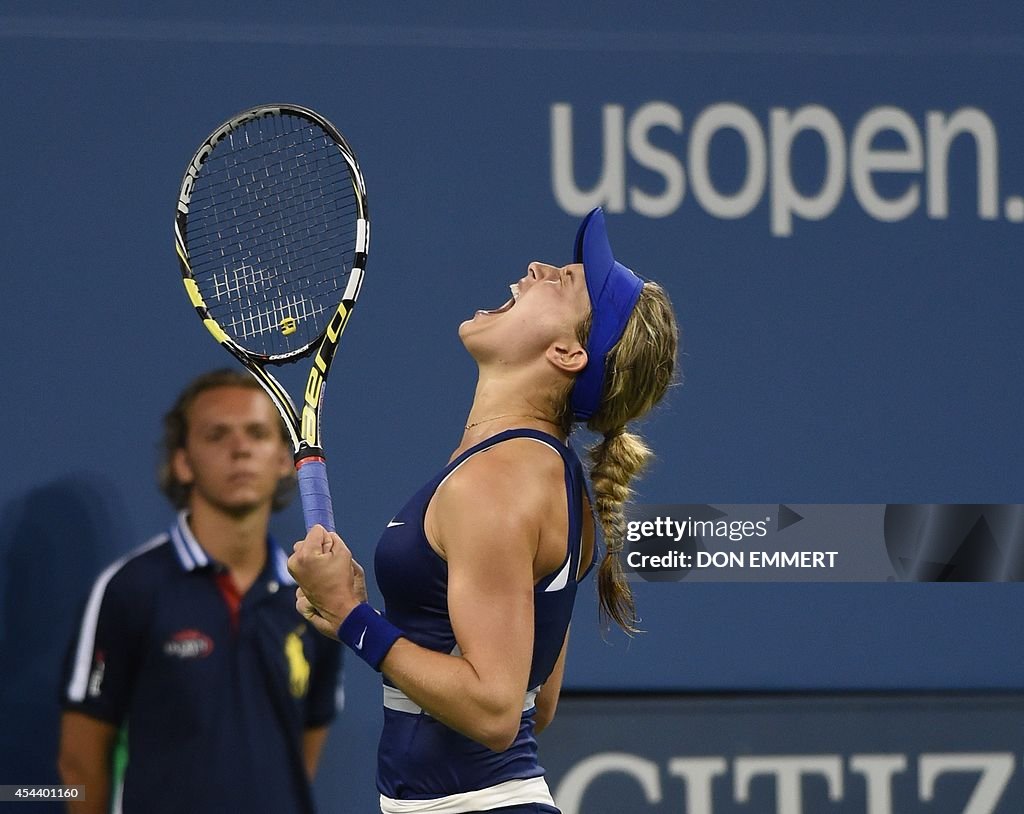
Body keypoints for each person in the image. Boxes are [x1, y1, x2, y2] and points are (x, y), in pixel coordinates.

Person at [288, 207, 678, 814]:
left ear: (567, 352)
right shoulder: (542, 474)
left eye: (563, 282)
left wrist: (350, 616)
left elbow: (496, 712)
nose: (535, 269)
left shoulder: (498, 482)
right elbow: (534, 703)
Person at [58, 369, 343, 814]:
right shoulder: (130, 589)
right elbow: (80, 764)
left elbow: (303, 745)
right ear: (182, 462)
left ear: (283, 459)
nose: (240, 448)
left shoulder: (313, 597)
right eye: (217, 435)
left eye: (257, 433)